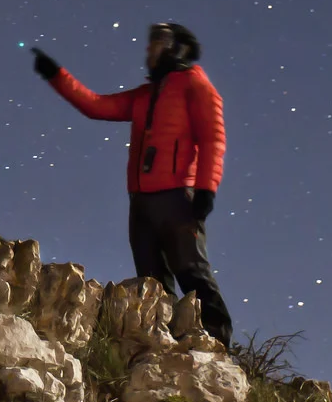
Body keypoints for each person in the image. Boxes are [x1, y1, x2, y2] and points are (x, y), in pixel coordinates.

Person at [32, 23, 234, 347]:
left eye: (158, 43)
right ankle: (165, 345)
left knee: (192, 272)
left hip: (177, 197)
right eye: (151, 43)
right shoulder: (146, 95)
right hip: (141, 202)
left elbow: (213, 139)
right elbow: (95, 105)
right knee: (151, 281)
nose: (149, 51)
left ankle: (218, 343)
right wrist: (56, 75)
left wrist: (206, 189)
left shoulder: (195, 85)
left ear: (176, 47)